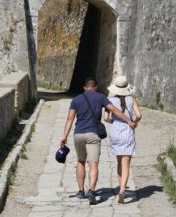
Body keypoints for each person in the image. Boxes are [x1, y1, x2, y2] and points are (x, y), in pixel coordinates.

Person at [61, 78, 136, 205]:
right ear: (95, 87)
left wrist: (64, 136)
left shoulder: (76, 100)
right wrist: (129, 121)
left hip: (78, 134)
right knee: (93, 164)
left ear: (84, 87)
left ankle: (80, 191)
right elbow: (114, 110)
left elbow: (69, 119)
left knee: (80, 161)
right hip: (93, 134)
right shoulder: (101, 97)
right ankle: (91, 190)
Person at [103, 76, 142, 204]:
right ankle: (123, 189)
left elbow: (105, 118)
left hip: (115, 132)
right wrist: (134, 122)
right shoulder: (132, 99)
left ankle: (121, 188)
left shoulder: (109, 101)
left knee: (119, 162)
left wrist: (114, 121)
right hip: (128, 132)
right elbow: (139, 115)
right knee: (126, 164)